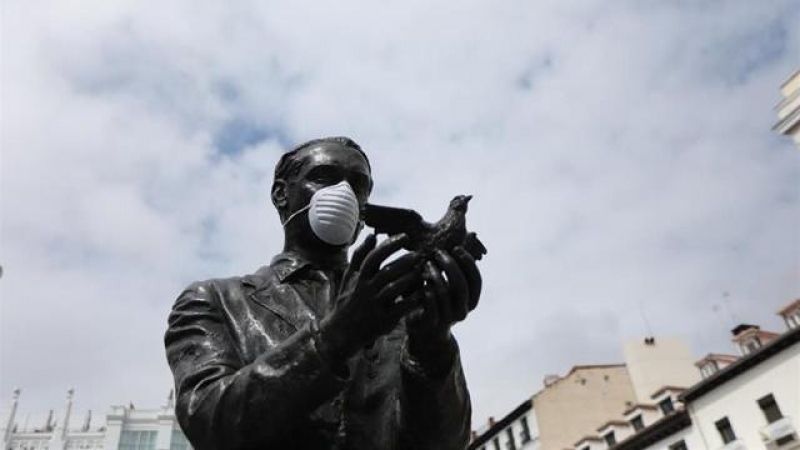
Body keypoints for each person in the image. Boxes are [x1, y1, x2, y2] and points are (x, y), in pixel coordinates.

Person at [164, 137, 482, 449]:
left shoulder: (396, 315)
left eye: (358, 185)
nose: (343, 194)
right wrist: (336, 337)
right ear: (280, 194)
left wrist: (433, 347)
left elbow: (446, 443)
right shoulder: (216, 301)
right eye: (324, 177)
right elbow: (208, 421)